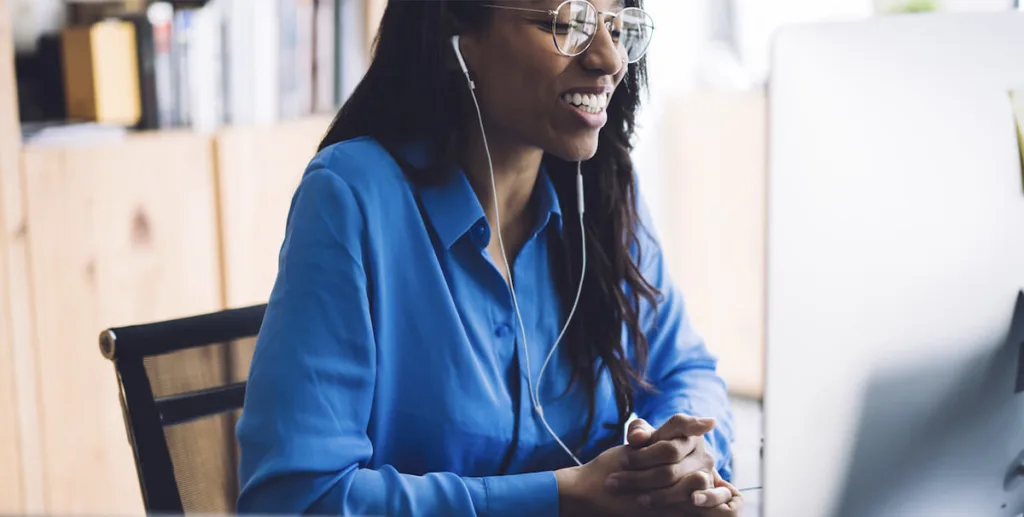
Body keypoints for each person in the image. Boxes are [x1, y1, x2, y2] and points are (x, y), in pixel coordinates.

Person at [235, 0, 741, 516]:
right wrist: (564, 496)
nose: (610, 59)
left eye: (616, 25)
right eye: (566, 25)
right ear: (459, 33)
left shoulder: (605, 193)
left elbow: (685, 371)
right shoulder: (352, 196)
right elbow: (295, 500)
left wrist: (675, 457)